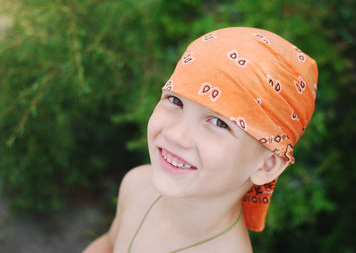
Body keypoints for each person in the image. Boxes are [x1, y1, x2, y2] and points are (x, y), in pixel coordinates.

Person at [83, 27, 318, 253]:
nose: (176, 134)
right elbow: (109, 244)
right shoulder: (137, 186)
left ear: (266, 165)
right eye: (175, 101)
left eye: (219, 123)